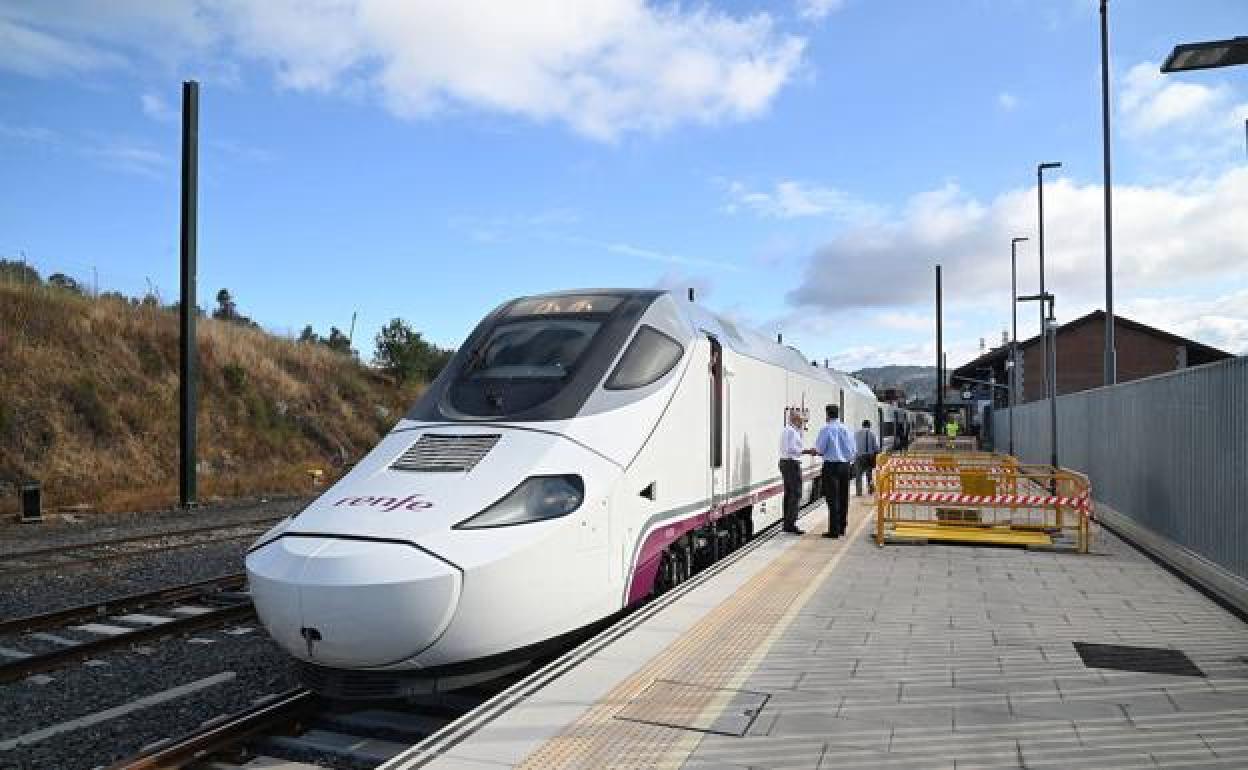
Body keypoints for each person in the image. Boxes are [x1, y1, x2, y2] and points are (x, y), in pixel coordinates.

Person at [814, 404, 856, 539]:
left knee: (833, 499)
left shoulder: (826, 429)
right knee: (844, 497)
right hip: (845, 466)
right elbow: (853, 450)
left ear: (827, 414)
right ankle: (842, 527)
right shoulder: (846, 429)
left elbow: (820, 449)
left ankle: (834, 530)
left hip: (831, 467)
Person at [778, 409, 814, 535]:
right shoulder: (792, 432)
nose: (802, 423)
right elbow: (792, 450)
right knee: (796, 493)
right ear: (795, 420)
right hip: (791, 464)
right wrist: (807, 451)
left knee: (789, 494)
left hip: (785, 463)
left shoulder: (787, 430)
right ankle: (790, 524)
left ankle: (787, 522)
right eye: (801, 420)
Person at [854, 419, 881, 496]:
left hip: (858, 457)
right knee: (869, 474)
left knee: (858, 475)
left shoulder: (856, 434)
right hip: (869, 457)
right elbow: (876, 447)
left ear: (862, 425)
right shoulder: (872, 434)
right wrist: (878, 452)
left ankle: (858, 492)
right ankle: (870, 490)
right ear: (869, 425)